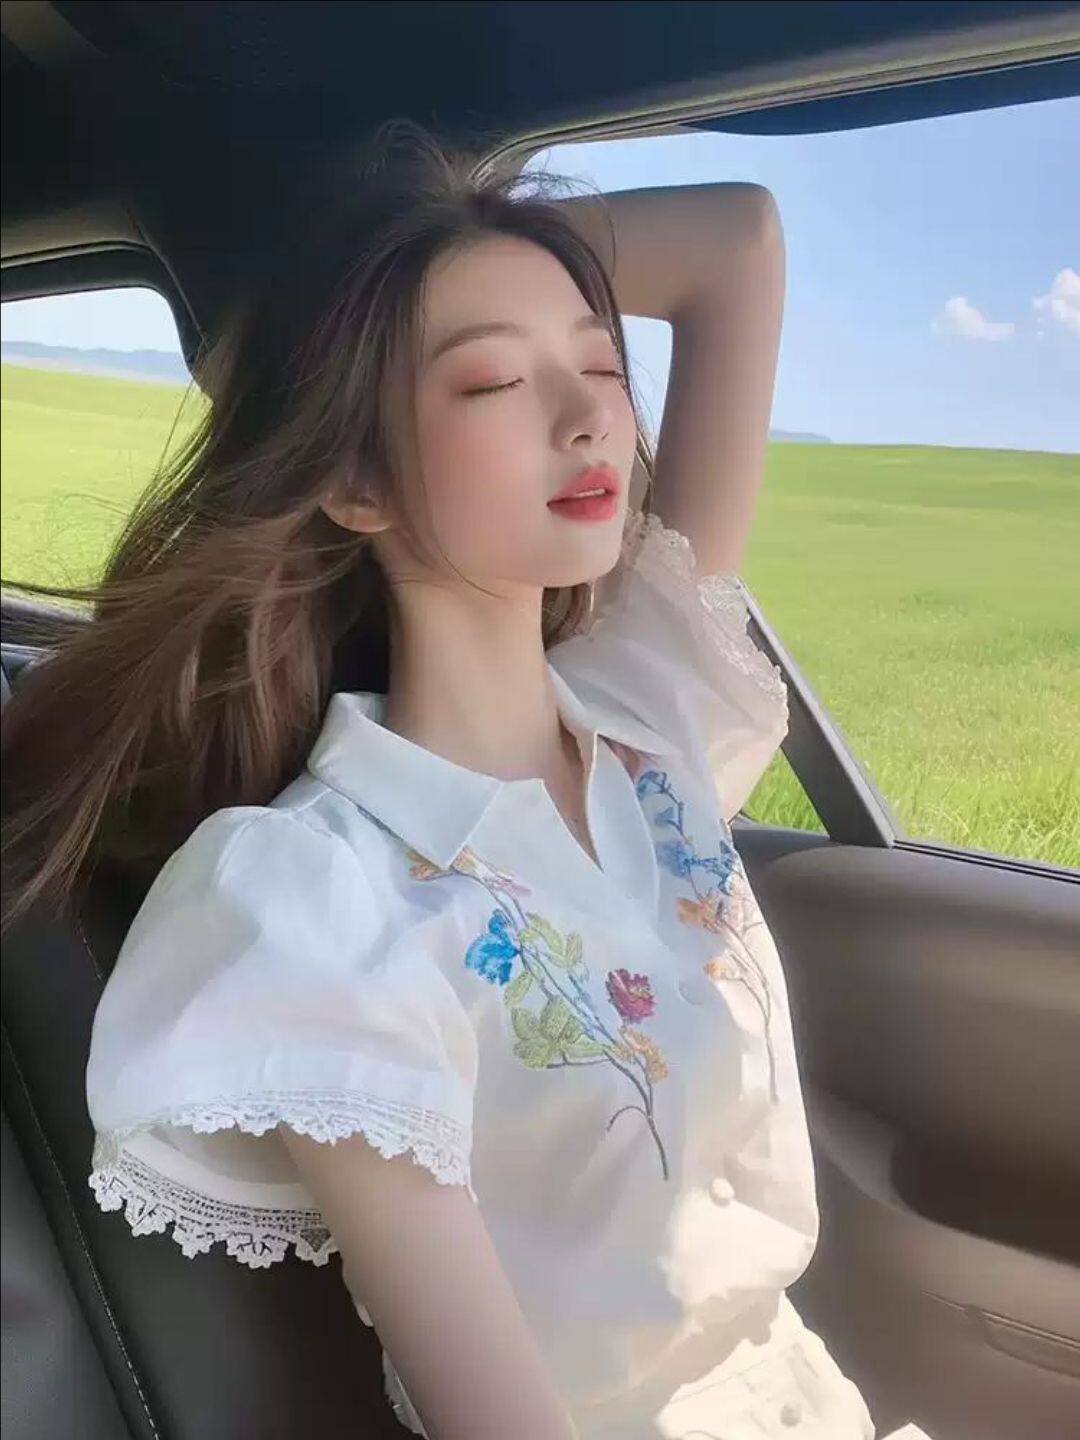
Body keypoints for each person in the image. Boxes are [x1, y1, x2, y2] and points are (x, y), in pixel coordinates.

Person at [0, 119, 932, 1440]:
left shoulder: (653, 714)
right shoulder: (319, 901)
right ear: (358, 478)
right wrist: (353, 295)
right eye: (495, 381)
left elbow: (739, 243)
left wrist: (457, 230)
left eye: (599, 363)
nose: (589, 414)